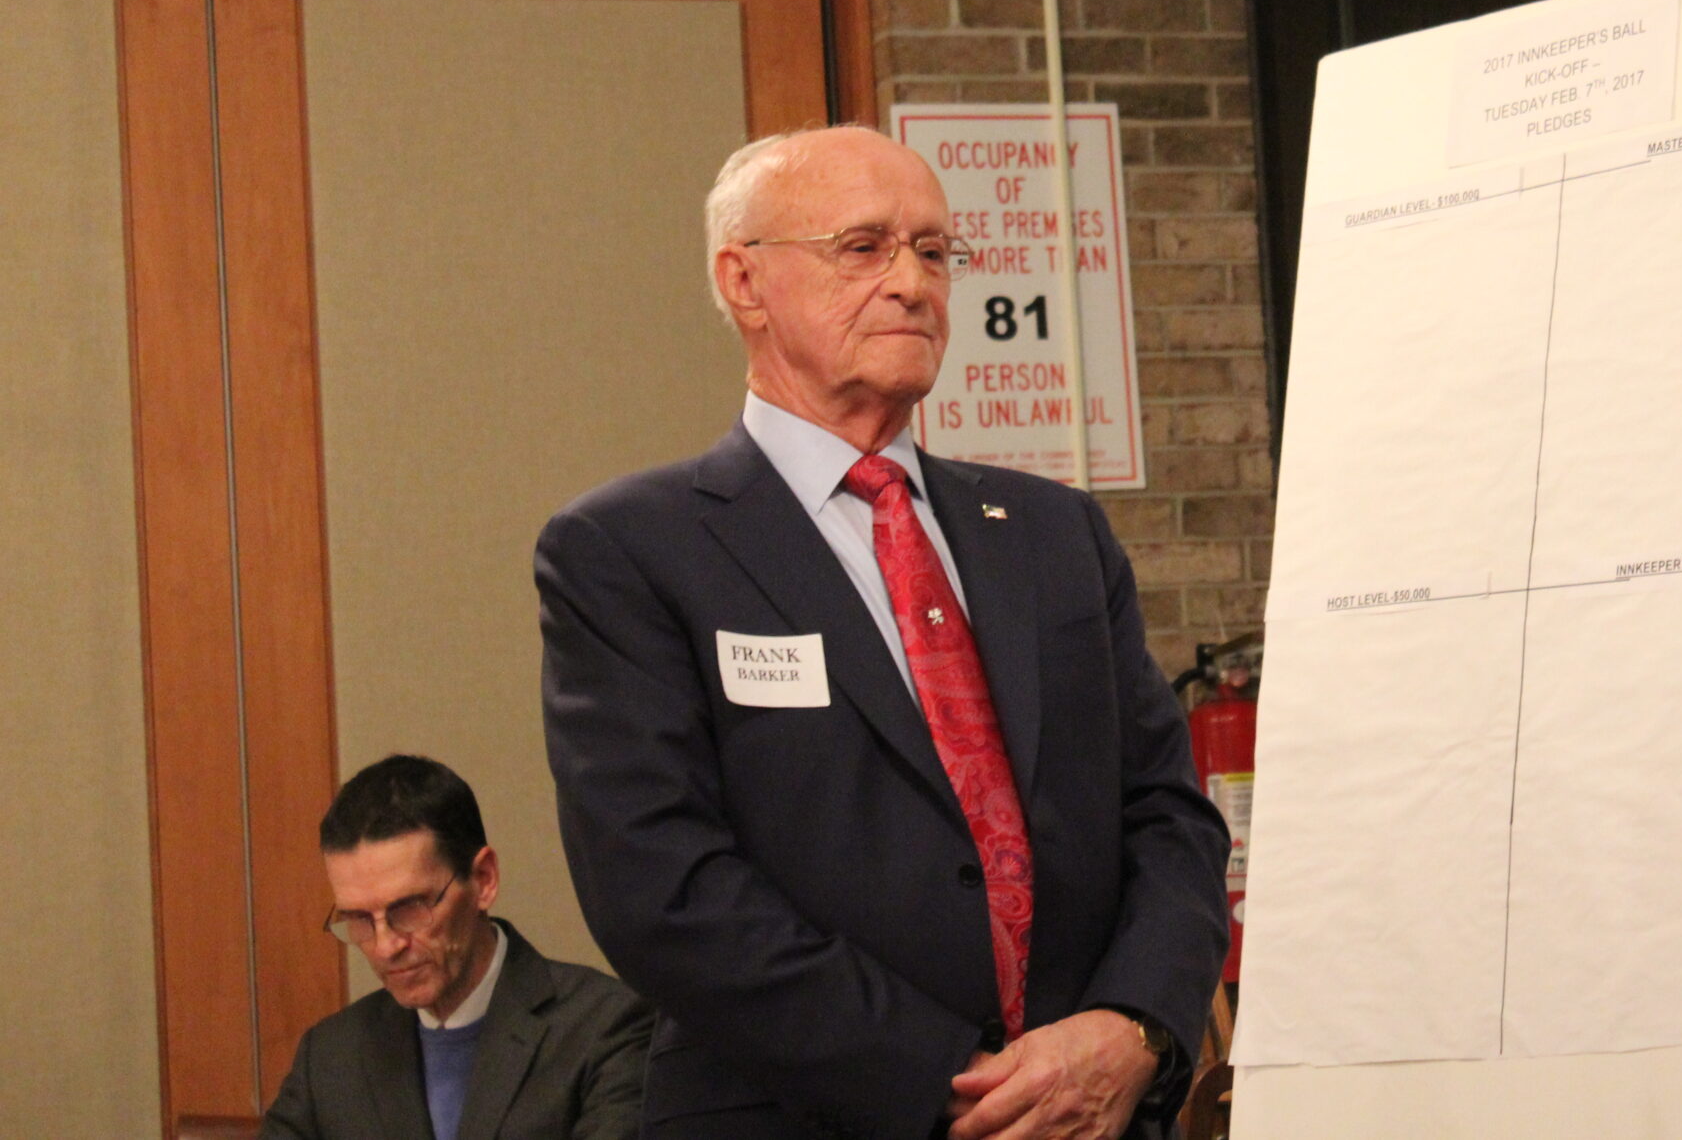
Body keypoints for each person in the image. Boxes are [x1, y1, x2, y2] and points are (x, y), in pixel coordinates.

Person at [537, 125, 1229, 1140]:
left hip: (1095, 1114)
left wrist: (1132, 1028)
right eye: (862, 248)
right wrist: (964, 1084)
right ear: (743, 282)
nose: (912, 283)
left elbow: (1169, 817)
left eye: (934, 251)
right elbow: (662, 886)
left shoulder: (1054, 533)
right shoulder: (631, 550)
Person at [262, 754, 652, 1140]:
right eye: (360, 919)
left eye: (409, 908)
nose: (385, 947)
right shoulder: (330, 1056)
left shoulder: (606, 1028)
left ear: (483, 879)